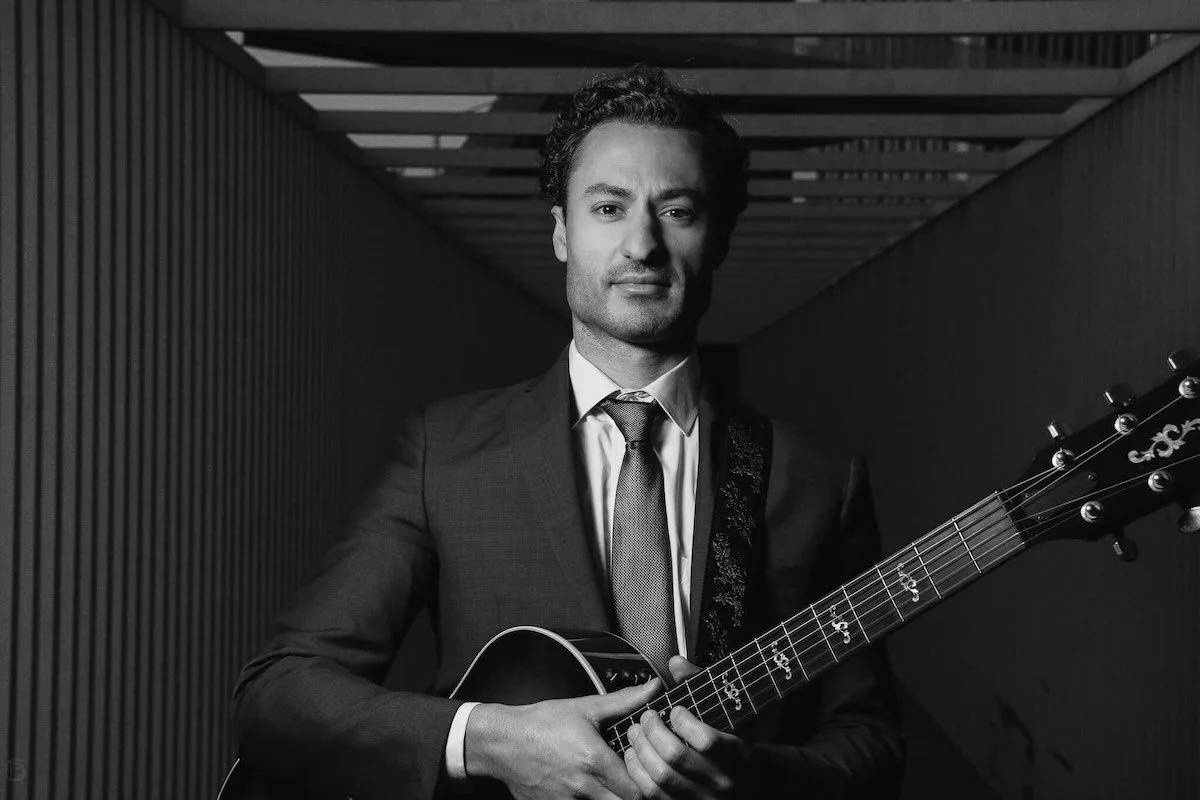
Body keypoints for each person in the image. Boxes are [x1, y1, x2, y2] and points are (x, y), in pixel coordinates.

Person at [232, 65, 904, 800]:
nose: (642, 245)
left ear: (719, 239)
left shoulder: (815, 477)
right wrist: (486, 739)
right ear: (560, 232)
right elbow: (277, 693)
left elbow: (869, 740)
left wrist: (755, 775)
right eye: (609, 208)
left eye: (676, 211)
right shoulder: (446, 452)